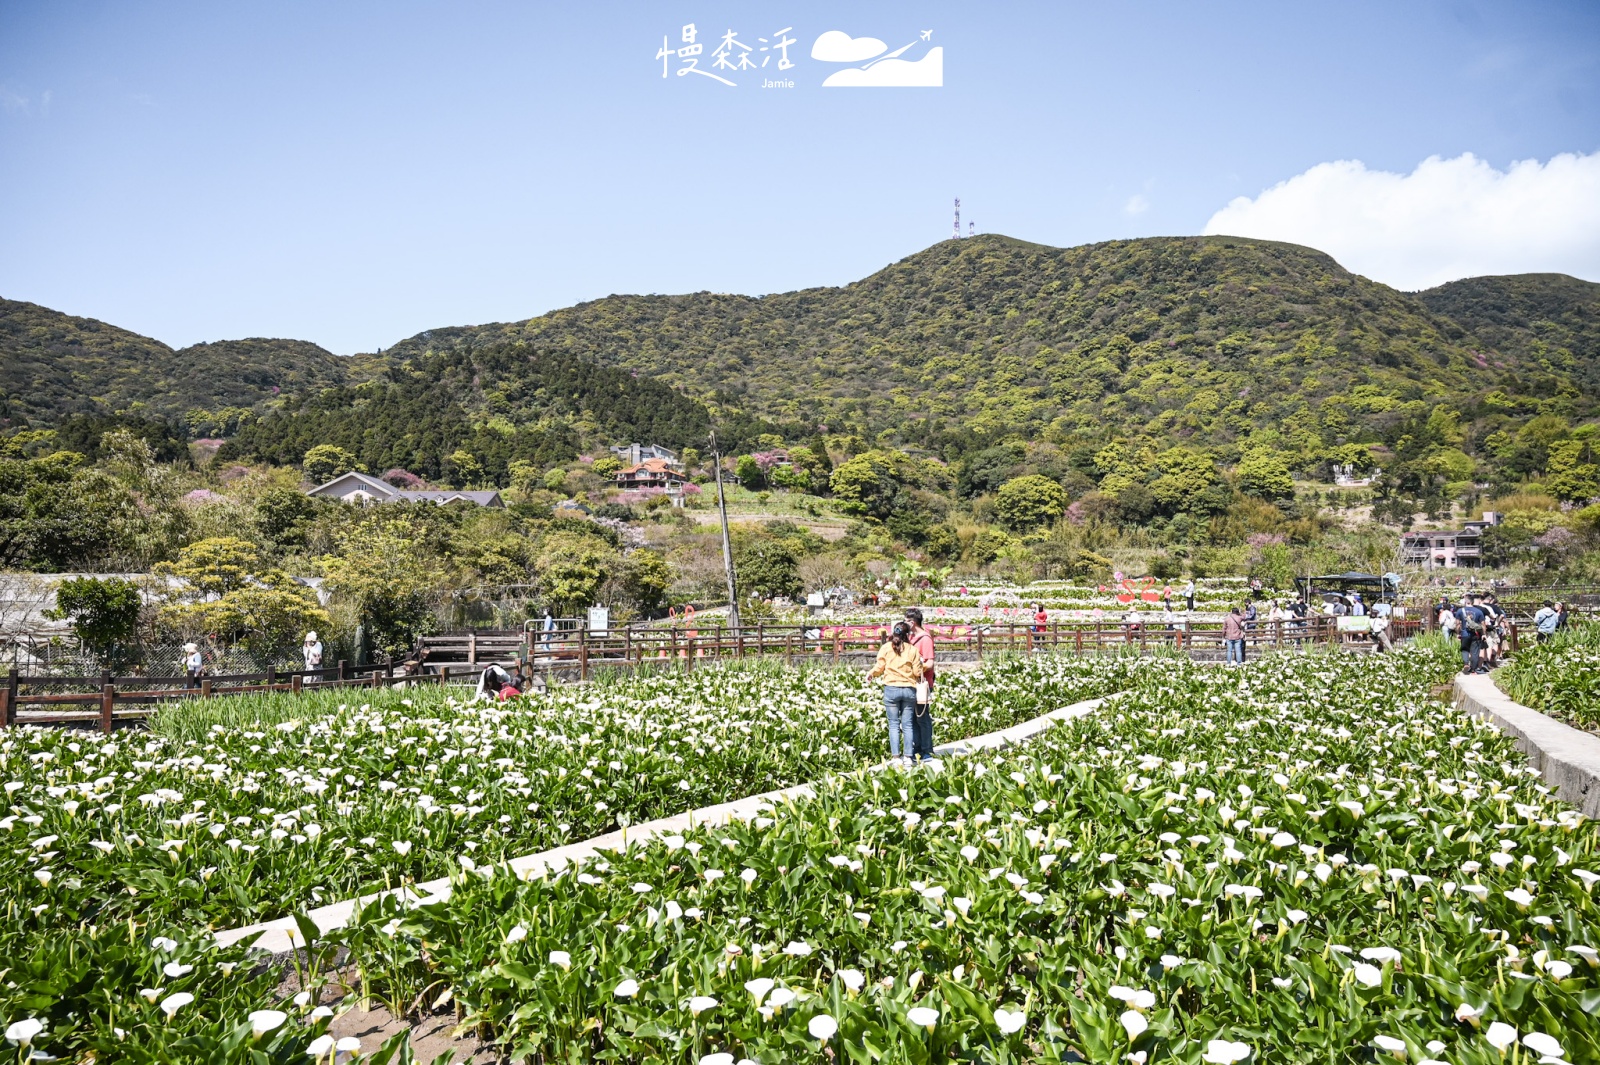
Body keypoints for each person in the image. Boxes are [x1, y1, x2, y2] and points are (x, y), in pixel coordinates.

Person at [868, 621, 926, 764]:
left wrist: (871, 674)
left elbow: (879, 666)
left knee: (893, 724)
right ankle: (908, 757)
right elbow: (917, 672)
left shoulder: (886, 648)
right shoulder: (912, 649)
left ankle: (896, 757)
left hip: (891, 689)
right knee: (907, 725)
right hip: (908, 690)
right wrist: (922, 666)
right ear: (908, 634)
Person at [905, 608, 937, 761]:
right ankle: (917, 748)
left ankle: (927, 750)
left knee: (922, 717)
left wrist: (917, 667)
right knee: (912, 718)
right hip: (911, 682)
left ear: (912, 622)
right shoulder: (911, 638)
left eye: (906, 620)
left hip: (922, 683)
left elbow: (930, 663)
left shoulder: (925, 639)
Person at [1454, 594, 1488, 675]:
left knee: (1465, 649)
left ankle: (1466, 664)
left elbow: (1458, 624)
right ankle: (1474, 669)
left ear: (1465, 602)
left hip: (1464, 634)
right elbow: (1483, 625)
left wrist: (1458, 633)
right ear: (1473, 602)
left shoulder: (1460, 611)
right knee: (1475, 652)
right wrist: (1483, 634)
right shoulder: (1479, 612)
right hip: (1476, 634)